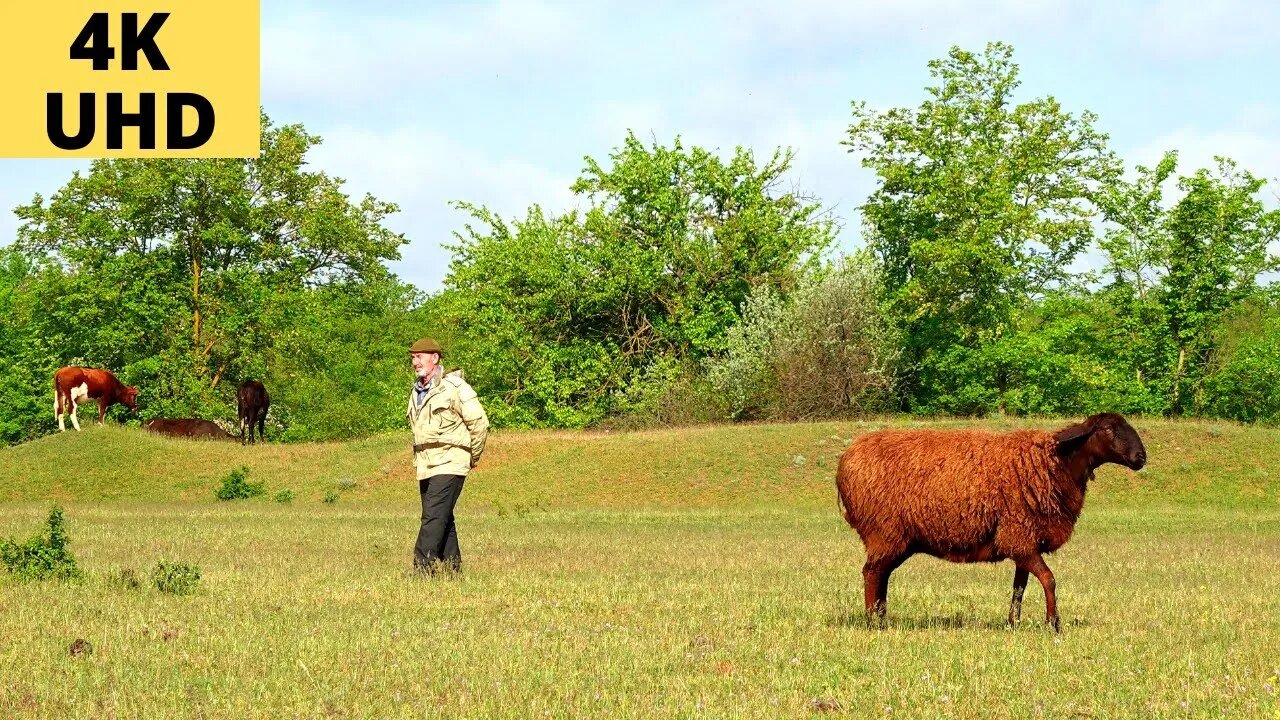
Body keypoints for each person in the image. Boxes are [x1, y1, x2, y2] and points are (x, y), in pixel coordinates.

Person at [406, 337, 488, 574]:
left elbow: (479, 423)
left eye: (419, 356)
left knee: (432, 517)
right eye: (412, 357)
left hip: (451, 461)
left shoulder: (455, 387)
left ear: (435, 358)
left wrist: (472, 457)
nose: (414, 362)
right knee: (442, 517)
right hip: (426, 464)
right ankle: (453, 570)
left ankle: (423, 569)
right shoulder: (417, 390)